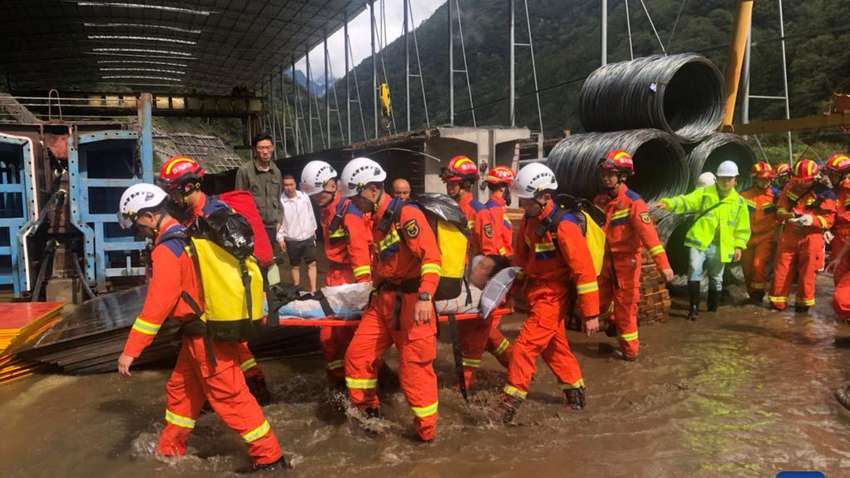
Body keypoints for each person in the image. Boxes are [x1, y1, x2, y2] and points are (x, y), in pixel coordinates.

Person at [115, 184, 285, 473]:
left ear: (146, 216)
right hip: (200, 335)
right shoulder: (186, 236)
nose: (138, 231)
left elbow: (157, 305)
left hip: (206, 339)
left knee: (230, 398)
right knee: (180, 391)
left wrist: (130, 351)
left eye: (136, 224)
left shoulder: (168, 249)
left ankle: (270, 458)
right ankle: (170, 450)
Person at [341, 157, 442, 442]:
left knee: (415, 371)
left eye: (356, 197)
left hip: (412, 303)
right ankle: (369, 415)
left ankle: (426, 435)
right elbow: (383, 263)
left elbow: (432, 258)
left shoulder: (407, 215)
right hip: (383, 302)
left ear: (372, 190)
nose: (353, 204)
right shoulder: (377, 220)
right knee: (357, 357)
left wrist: (425, 296)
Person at [157, 154, 271, 405]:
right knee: (233, 351)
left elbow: (242, 259)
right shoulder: (193, 218)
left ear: (189, 186)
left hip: (221, 301)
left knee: (223, 361)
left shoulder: (216, 217)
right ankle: (254, 387)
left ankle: (248, 396)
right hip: (209, 301)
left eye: (173, 192)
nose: (172, 199)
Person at [501, 163, 599, 423]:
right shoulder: (529, 222)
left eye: (526, 200)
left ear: (545, 196)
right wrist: (510, 290)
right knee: (554, 347)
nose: (522, 205)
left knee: (524, 346)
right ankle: (576, 394)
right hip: (537, 293)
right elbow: (521, 261)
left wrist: (591, 313)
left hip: (554, 295)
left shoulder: (565, 227)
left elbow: (584, 270)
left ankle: (508, 404)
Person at [593, 150, 673, 361]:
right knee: (598, 302)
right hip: (605, 262)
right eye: (604, 173)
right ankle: (612, 322)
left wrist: (664, 265)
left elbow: (650, 238)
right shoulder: (600, 200)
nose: (605, 177)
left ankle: (630, 352)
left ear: (623, 176)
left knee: (626, 308)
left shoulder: (634, 203)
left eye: (611, 173)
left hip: (626, 264)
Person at [300, 160, 372, 386]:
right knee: (330, 338)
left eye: (319, 194)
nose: (316, 199)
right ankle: (338, 382)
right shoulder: (328, 211)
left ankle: (360, 383)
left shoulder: (348, 213)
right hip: (335, 278)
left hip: (349, 280)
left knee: (343, 336)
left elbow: (360, 254)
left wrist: (365, 292)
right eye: (313, 196)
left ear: (332, 185)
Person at [658, 160, 750, 320]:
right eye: (722, 178)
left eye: (729, 179)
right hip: (699, 241)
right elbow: (686, 201)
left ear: (735, 180)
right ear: (717, 178)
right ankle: (693, 308)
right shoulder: (705, 193)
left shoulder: (740, 203)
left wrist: (739, 246)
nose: (725, 182)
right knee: (694, 269)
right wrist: (669, 203)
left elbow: (743, 227)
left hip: (721, 246)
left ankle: (712, 308)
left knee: (716, 277)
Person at [769, 159, 836, 312]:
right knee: (782, 269)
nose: (801, 184)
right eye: (798, 180)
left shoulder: (825, 193)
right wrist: (788, 216)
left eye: (804, 181)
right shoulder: (789, 187)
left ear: (814, 178)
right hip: (790, 233)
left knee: (808, 273)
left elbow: (830, 220)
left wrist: (811, 220)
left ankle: (803, 308)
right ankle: (777, 305)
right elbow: (779, 210)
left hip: (812, 237)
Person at [236, 132, 283, 263]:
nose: (265, 151)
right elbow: (238, 201)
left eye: (268, 147)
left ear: (273, 148)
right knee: (254, 263)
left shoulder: (276, 171)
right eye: (261, 148)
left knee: (271, 263)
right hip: (253, 228)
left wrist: (279, 220)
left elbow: (279, 200)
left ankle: (270, 284)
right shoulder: (244, 171)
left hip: (272, 228)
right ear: (255, 150)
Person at [740, 161, 780, 303]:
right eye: (762, 179)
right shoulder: (744, 195)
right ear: (755, 178)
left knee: (759, 265)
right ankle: (751, 295)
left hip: (766, 237)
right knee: (747, 269)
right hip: (747, 238)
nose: (765, 182)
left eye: (768, 179)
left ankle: (758, 296)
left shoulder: (776, 196)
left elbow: (783, 213)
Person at [277, 174, 318, 293]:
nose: (289, 187)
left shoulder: (304, 197)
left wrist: (314, 229)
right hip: (292, 239)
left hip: (307, 236)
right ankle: (297, 291)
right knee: (295, 266)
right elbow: (278, 221)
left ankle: (313, 291)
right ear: (283, 186)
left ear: (295, 184)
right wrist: (280, 238)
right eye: (286, 185)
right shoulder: (280, 201)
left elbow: (311, 213)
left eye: (291, 184)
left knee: (312, 264)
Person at [441, 155, 483, 238]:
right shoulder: (448, 208)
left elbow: (488, 249)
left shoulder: (479, 212)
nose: (449, 188)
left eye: (453, 184)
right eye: (448, 184)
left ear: (465, 184)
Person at [477, 166, 515, 258]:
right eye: (509, 187)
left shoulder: (496, 207)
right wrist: (506, 257)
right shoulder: (494, 210)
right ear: (503, 188)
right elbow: (496, 242)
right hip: (500, 260)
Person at [825, 153, 850, 284]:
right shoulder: (836, 190)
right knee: (838, 274)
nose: (830, 176)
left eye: (833, 174)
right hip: (838, 238)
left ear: (843, 174)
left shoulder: (847, 190)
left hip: (846, 236)